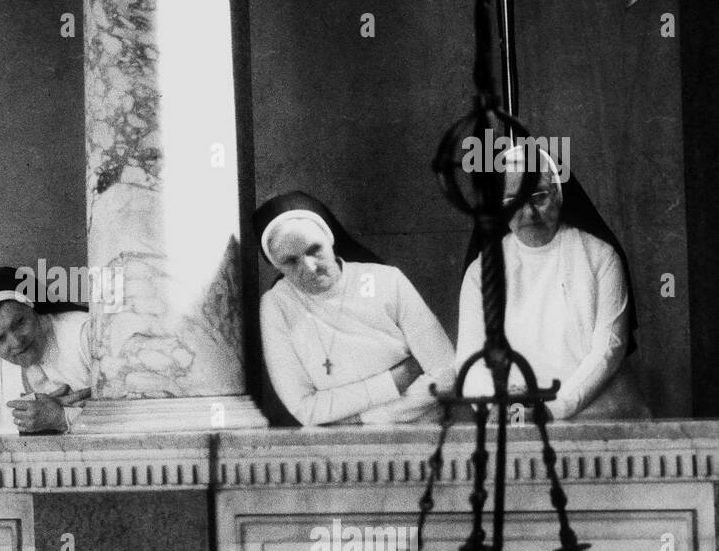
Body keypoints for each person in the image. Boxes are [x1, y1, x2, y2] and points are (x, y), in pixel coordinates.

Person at [456, 147, 647, 420]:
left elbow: (609, 348)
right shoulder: (480, 273)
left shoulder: (601, 257)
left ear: (558, 194)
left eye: (539, 197)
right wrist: (502, 406)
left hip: (595, 415)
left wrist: (551, 409)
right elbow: (469, 359)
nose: (528, 213)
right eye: (513, 201)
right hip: (514, 420)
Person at [255, 191, 456, 426]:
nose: (310, 267)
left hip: (421, 433)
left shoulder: (388, 281)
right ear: (275, 264)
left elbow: (445, 373)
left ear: (330, 240)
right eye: (290, 261)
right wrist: (395, 381)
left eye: (314, 250)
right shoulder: (276, 305)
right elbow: (304, 408)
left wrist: (363, 419)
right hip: (342, 448)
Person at [0, 266, 91, 435]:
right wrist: (31, 415)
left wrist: (62, 417)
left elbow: (126, 415)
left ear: (31, 307)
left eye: (19, 323)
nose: (16, 342)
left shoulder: (86, 333)